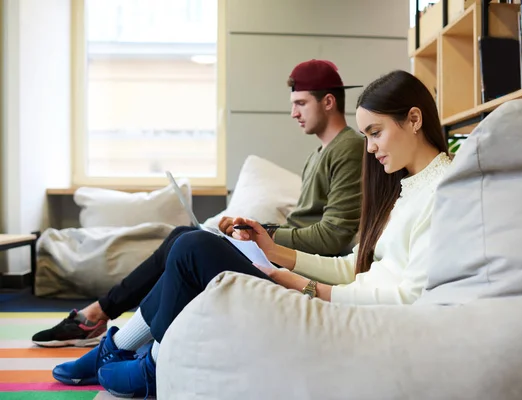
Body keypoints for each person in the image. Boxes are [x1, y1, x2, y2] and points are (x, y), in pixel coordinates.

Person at [53, 69, 452, 398]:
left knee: (192, 246)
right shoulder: (404, 189)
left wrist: (306, 287)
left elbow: (406, 297)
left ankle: (147, 359)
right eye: (367, 136)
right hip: (330, 293)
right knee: (187, 242)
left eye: (376, 133)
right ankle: (129, 350)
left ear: (414, 120)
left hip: (341, 312)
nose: (369, 148)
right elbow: (355, 266)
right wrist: (275, 252)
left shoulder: (443, 192)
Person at [32, 59, 365, 348]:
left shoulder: (349, 148)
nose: (293, 113)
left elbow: (334, 237)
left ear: (329, 102)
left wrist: (266, 234)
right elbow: (306, 225)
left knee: (187, 242)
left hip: (299, 265)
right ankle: (103, 319)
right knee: (182, 236)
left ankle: (103, 322)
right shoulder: (319, 153)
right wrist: (253, 231)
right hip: (281, 254)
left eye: (301, 103)